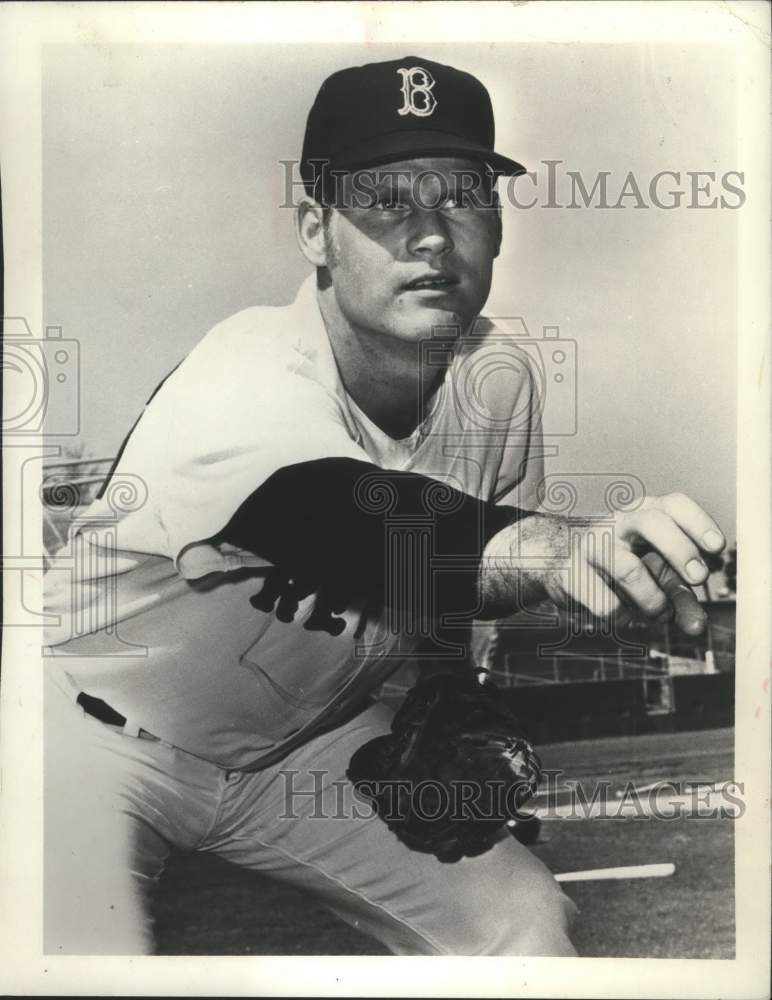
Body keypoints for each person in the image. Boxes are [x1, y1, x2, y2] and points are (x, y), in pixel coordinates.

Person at [43, 55, 725, 957]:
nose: (432, 234)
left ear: (498, 226)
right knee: (84, 962)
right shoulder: (243, 370)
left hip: (303, 757)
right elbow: (339, 515)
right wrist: (553, 550)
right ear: (316, 230)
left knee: (522, 927)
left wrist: (447, 694)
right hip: (85, 734)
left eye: (461, 196)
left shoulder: (500, 377)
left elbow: (454, 584)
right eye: (386, 199)